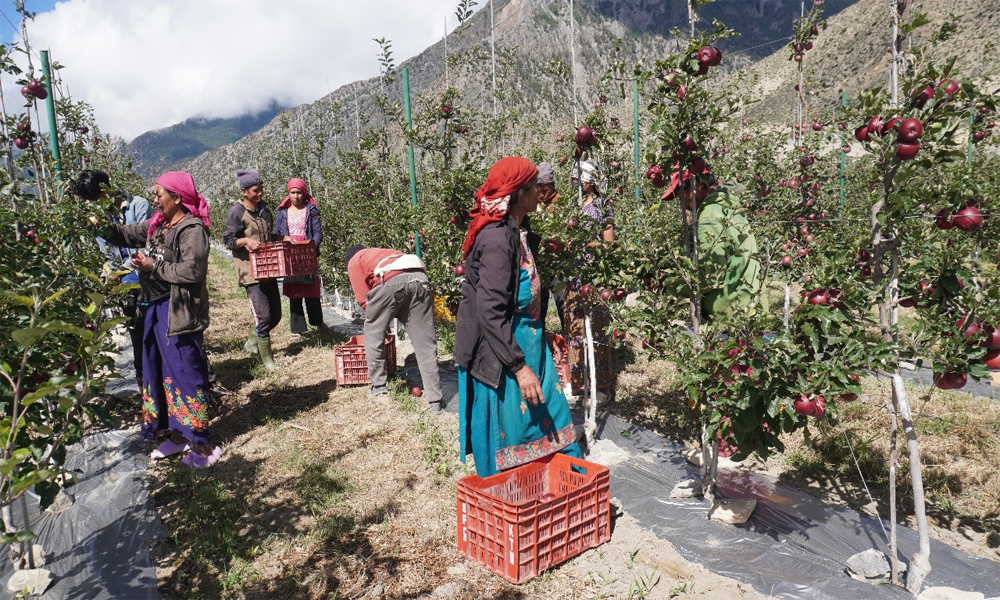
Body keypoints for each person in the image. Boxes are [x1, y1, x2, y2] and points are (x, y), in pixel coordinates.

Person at [454, 156, 581, 478]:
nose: (541, 192)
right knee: (509, 428)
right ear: (519, 193)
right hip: (501, 353)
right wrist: (519, 368)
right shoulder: (498, 240)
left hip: (528, 344)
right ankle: (512, 494)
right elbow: (490, 311)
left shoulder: (518, 231)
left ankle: (565, 484)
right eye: (535, 186)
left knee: (551, 415)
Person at [100, 171, 221, 468]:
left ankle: (204, 445)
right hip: (155, 308)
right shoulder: (158, 225)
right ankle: (179, 436)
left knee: (186, 373)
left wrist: (153, 266)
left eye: (159, 194)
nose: (154, 199)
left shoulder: (191, 229)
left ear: (177, 198)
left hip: (178, 311)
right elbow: (123, 234)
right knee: (161, 372)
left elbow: (192, 271)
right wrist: (95, 217)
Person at [73, 169, 152, 387]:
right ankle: (144, 383)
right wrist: (107, 274)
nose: (97, 205)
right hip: (126, 285)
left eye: (97, 199)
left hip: (148, 278)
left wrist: (121, 272)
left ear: (106, 190)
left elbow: (147, 245)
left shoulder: (139, 206)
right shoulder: (101, 219)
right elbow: (106, 253)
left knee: (156, 329)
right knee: (136, 333)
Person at [662, 166, 767, 319]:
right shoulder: (728, 206)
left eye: (681, 195)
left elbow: (710, 271)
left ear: (697, 186)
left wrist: (673, 284)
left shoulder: (710, 214)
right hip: (749, 299)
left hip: (729, 310)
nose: (681, 203)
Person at [345, 245, 443, 409]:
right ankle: (435, 401)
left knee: (373, 332)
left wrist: (379, 321)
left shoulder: (354, 260)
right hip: (420, 278)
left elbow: (364, 301)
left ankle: (379, 386)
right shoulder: (380, 253)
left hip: (391, 280)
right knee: (425, 341)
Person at [565, 159, 614, 400]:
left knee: (596, 330)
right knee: (574, 329)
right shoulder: (571, 206)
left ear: (590, 182)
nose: (575, 184)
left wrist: (585, 244)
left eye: (579, 180)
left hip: (594, 277)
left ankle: (601, 387)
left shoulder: (602, 206)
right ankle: (578, 384)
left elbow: (609, 243)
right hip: (572, 277)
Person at [223, 169, 281, 370]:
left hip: (268, 268)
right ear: (244, 191)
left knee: (276, 316)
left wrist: (283, 239)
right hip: (250, 271)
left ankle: (251, 341)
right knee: (264, 316)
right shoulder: (237, 212)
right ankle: (267, 360)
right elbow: (228, 239)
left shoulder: (265, 210)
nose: (260, 193)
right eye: (256, 190)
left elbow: (268, 235)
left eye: (261, 189)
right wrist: (246, 240)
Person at [272, 177, 329, 341]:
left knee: (311, 289)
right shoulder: (282, 212)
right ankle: (297, 329)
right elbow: (277, 231)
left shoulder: (311, 210)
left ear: (304, 193)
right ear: (288, 193)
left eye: (299, 193)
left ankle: (318, 322)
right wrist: (283, 239)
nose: (296, 196)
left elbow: (318, 233)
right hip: (290, 255)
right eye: (293, 193)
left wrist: (311, 247)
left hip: (307, 253)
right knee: (295, 292)